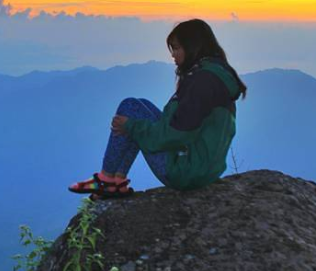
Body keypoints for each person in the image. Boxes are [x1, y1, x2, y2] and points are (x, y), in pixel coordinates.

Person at [69, 19, 247, 199]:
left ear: (192, 47)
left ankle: (107, 179)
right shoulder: (215, 74)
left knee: (129, 108)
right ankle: (116, 181)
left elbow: (177, 134)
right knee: (140, 105)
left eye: (176, 48)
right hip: (203, 168)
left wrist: (131, 126)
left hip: (185, 171)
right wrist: (135, 126)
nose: (173, 55)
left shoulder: (202, 82)